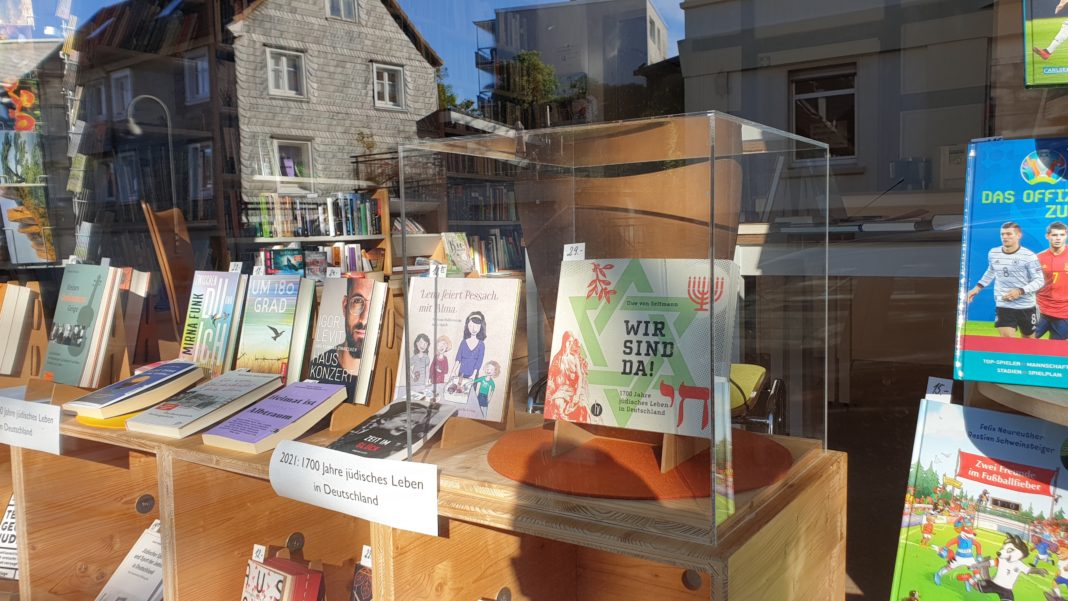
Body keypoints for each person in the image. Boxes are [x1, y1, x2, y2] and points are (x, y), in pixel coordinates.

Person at [967, 222, 1045, 338]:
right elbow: (991, 270)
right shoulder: (993, 253)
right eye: (1002, 234)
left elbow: (1039, 280)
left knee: (1029, 343)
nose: (1004, 237)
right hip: (1004, 304)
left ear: (1018, 235)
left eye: (1009, 234)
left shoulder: (1029, 256)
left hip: (1026, 306)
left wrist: (1020, 291)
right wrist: (977, 288)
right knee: (1007, 342)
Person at [309, 278, 373, 398]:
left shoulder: (389, 373)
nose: (364, 319)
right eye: (358, 301)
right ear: (345, 306)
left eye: (375, 304)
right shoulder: (316, 369)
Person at [1038, 222, 1068, 339]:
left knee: (1055, 350)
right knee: (1026, 343)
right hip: (1040, 311)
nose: (1058, 238)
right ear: (1047, 236)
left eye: (1061, 235)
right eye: (1054, 235)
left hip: (1064, 313)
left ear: (1066, 236)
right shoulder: (1038, 258)